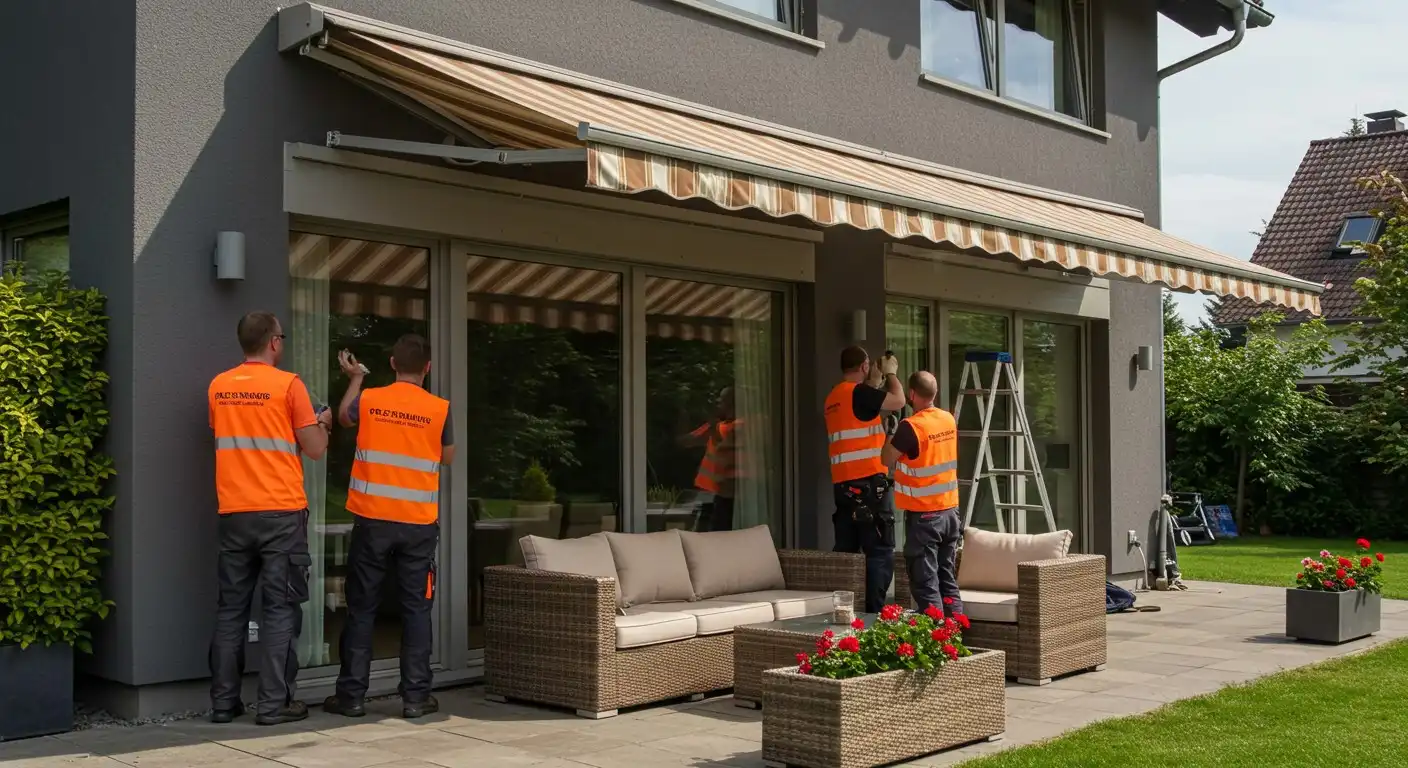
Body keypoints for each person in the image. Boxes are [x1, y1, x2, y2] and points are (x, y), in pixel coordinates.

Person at [207, 311, 331, 725]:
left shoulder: (219, 386)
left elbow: (225, 433)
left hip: (234, 512)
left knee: (231, 611)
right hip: (280, 512)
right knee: (279, 610)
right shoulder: (289, 385)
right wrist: (324, 422)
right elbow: (314, 448)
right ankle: (274, 704)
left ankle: (224, 704)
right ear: (274, 342)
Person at [324, 334, 454, 720]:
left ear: (393, 364)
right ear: (427, 368)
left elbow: (345, 416)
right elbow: (447, 457)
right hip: (417, 525)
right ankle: (416, 698)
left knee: (362, 607)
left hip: (373, 521)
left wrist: (356, 378)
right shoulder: (439, 409)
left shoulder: (372, 399)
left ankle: (351, 697)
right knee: (416, 609)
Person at [824, 346, 905, 613]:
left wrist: (875, 379)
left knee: (847, 554)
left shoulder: (834, 397)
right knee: (880, 553)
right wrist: (891, 374)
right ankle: (874, 615)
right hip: (870, 487)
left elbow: (864, 406)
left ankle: (844, 611)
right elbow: (898, 401)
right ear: (864, 365)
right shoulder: (858, 393)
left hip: (844, 488)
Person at [883, 371, 963, 617]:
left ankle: (935, 641)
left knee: (925, 581)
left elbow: (886, 458)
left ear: (911, 394)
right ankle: (955, 634)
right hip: (950, 512)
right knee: (946, 576)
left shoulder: (911, 427)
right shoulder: (948, 419)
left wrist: (890, 432)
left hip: (925, 516)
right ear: (935, 392)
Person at [679, 387, 737, 531]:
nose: (717, 402)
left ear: (732, 404)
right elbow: (687, 441)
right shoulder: (718, 426)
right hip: (715, 493)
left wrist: (683, 415)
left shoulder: (723, 428)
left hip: (726, 495)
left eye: (721, 400)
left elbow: (687, 441)